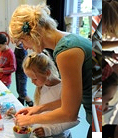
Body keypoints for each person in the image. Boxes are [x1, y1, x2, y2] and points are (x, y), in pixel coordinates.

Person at [9, 4, 93, 138]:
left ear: (32, 34)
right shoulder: (68, 40)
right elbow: (69, 101)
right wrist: (38, 108)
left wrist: (30, 120)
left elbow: (69, 113)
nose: (25, 47)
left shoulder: (66, 53)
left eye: (22, 42)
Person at [22, 53, 79, 138]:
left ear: (47, 73)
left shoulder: (64, 89)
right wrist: (29, 117)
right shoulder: (41, 86)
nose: (32, 82)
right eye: (30, 78)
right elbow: (40, 109)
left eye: (34, 78)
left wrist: (48, 130)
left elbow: (74, 120)